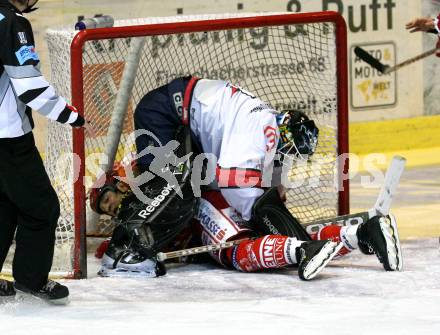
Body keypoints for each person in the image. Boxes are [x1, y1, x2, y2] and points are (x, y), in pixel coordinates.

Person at [89, 77, 402, 280]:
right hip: (193, 156)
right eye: (106, 205)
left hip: (206, 199)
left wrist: (269, 215)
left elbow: (247, 187)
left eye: (108, 200)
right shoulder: (261, 130)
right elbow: (240, 184)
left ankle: (340, 239)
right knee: (261, 225)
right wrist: (263, 214)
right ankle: (339, 238)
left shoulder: (263, 136)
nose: (112, 206)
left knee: (237, 248)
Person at [0, 0, 93, 303]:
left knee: (6, 207)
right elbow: (28, 85)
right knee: (42, 208)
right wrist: (71, 115)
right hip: (7, 139)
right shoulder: (12, 21)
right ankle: (31, 278)